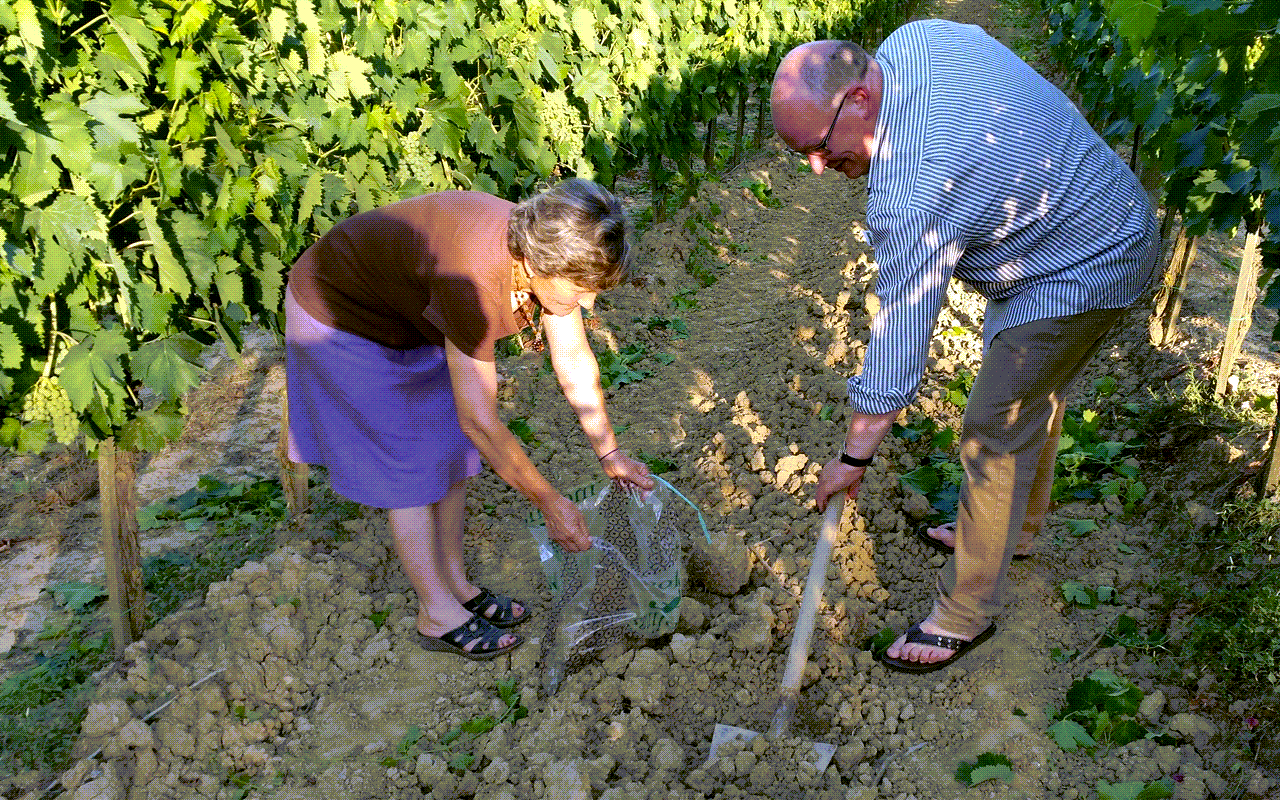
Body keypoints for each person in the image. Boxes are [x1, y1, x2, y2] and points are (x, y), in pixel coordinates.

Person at [769, 20, 1159, 673]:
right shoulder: (915, 41)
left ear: (859, 98)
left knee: (993, 427)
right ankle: (1014, 530)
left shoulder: (911, 191)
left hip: (1088, 263)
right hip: (1095, 216)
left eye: (818, 146)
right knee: (1030, 394)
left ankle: (964, 612)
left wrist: (853, 457)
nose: (816, 165)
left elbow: (898, 349)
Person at [284, 178, 655, 661]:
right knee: (408, 467)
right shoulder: (475, 278)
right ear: (539, 266)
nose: (588, 304)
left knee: (449, 450)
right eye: (581, 291)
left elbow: (573, 359)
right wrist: (549, 502)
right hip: (342, 315)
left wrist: (610, 452)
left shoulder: (546, 250)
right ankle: (436, 612)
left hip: (405, 315)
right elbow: (480, 421)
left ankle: (457, 585)